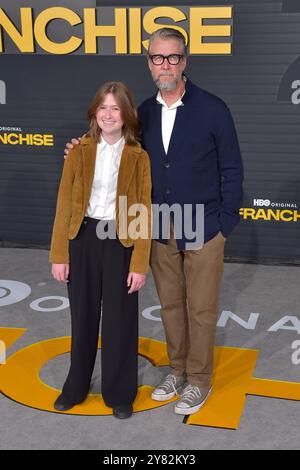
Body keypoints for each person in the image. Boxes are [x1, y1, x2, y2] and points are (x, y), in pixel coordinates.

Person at [64, 28, 243, 416]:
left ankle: (198, 380)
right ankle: (177, 371)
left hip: (204, 226)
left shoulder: (213, 109)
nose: (166, 64)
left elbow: (233, 169)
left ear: (185, 61)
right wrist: (77, 147)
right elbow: (111, 142)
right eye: (158, 58)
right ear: (149, 63)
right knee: (170, 307)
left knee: (201, 309)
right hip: (158, 225)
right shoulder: (141, 111)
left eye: (173, 57)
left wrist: (225, 223)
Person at [50, 81, 152, 420]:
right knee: (82, 317)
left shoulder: (138, 156)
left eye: (115, 108)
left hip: (120, 243)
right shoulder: (79, 151)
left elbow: (142, 210)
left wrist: (139, 263)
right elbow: (64, 203)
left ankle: (120, 392)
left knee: (120, 321)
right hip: (83, 239)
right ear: (95, 112)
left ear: (126, 115)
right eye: (103, 107)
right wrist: (59, 255)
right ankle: (75, 386)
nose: (108, 114)